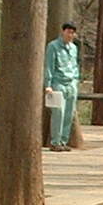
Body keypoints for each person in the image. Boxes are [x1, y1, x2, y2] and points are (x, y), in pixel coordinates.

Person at [43, 22, 80, 151]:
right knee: (59, 112)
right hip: (58, 83)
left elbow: (75, 65)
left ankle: (64, 141)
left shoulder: (74, 48)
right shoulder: (53, 46)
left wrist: (76, 80)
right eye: (68, 32)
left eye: (72, 33)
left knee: (69, 113)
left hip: (71, 84)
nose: (70, 35)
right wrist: (48, 85)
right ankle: (55, 141)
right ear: (63, 32)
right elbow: (49, 66)